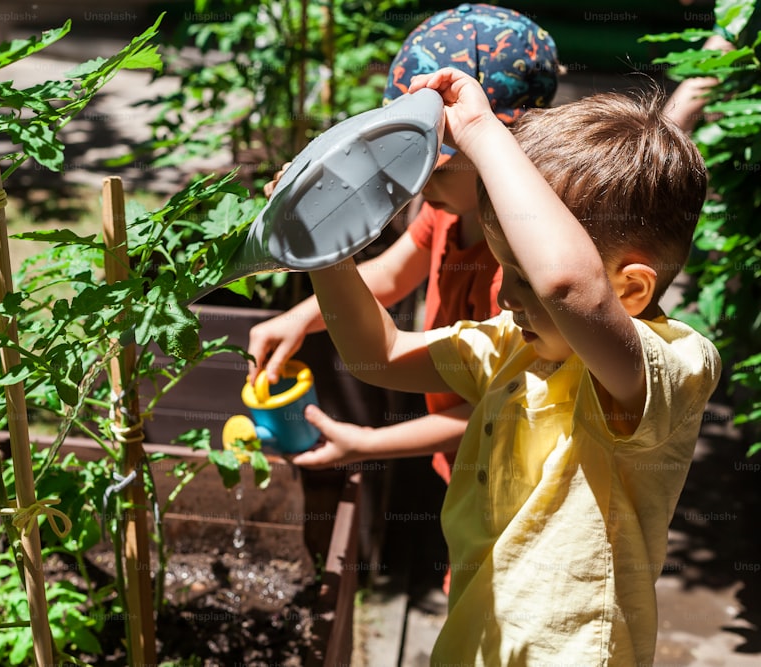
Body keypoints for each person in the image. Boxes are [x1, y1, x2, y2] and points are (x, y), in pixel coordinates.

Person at [306, 66, 721, 663]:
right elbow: (380, 355)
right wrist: (326, 247)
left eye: (518, 278)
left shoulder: (673, 366)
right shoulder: (514, 346)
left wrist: (478, 129)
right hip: (479, 639)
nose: (504, 297)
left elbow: (566, 284)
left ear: (630, 291)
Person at [247, 4, 561, 485]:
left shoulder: (521, 271)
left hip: (511, 476)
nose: (415, 179)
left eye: (436, 158)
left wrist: (367, 444)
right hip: (464, 477)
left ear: (507, 143)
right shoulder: (447, 210)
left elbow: (492, 404)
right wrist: (298, 317)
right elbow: (394, 274)